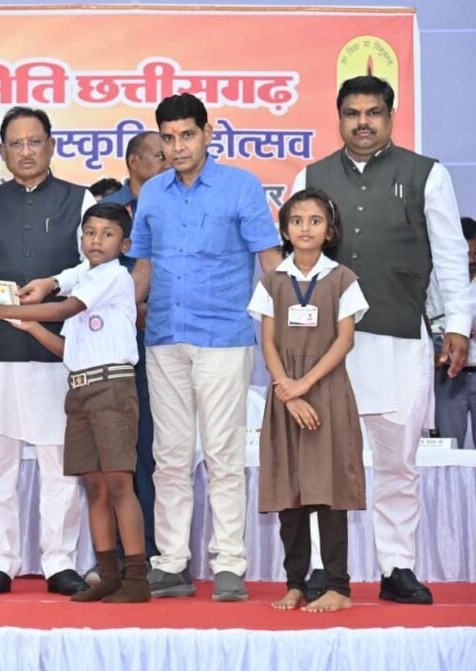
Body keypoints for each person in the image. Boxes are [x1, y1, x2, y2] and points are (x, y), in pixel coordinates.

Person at [294, 76, 469, 604]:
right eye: (352, 113)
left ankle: (397, 567)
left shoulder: (426, 174)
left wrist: (457, 324)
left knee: (398, 464)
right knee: (324, 462)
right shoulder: (312, 176)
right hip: (327, 348)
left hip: (399, 340)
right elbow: (296, 260)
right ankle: (324, 569)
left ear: (391, 117)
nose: (363, 122)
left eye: (373, 112)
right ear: (339, 118)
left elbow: (450, 254)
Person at [130, 94, 281, 600]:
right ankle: (172, 563)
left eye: (187, 135)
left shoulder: (242, 186)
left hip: (223, 339)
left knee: (222, 455)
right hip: (163, 338)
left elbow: (269, 262)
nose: (178, 147)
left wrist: (295, 321)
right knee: (170, 457)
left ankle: (229, 565)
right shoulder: (153, 193)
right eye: (168, 138)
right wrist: (109, 315)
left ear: (208, 133)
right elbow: (143, 269)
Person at [0, 202, 151, 603]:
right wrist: (31, 326)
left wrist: (2, 310)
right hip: (80, 389)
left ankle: (137, 579)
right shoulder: (84, 276)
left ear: (125, 245)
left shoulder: (113, 277)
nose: (96, 240)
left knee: (119, 484)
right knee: (94, 486)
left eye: (107, 234)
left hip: (112, 388)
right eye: (89, 233)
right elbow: (69, 350)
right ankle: (108, 577)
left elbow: (65, 306)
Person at [0, 106, 96, 597]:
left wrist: (55, 283)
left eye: (34, 141)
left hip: (56, 349)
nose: (25, 151)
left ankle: (59, 561)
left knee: (58, 458)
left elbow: (93, 266)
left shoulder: (79, 200)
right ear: (2, 151)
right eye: (15, 143)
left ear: (51, 146)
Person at [247, 188, 369, 613]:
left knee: (330, 490)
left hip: (327, 392)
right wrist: (287, 388)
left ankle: (337, 586)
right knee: (289, 492)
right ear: (284, 230)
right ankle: (295, 583)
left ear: (330, 230)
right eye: (296, 221)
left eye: (315, 221)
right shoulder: (272, 281)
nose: (305, 228)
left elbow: (345, 341)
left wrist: (303, 385)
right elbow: (268, 341)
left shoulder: (343, 279)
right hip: (285, 394)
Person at [101, 129, 168, 562]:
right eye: (159, 156)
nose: (168, 162)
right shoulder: (108, 209)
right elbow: (91, 271)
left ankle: (160, 551)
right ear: (133, 162)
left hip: (169, 338)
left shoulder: (179, 203)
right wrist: (128, 308)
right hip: (119, 345)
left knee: (160, 447)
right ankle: (123, 553)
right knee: (121, 448)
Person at [432, 217, 476, 447]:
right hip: (447, 375)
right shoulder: (435, 279)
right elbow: (428, 321)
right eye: (466, 254)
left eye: (475, 253)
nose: (471, 258)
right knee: (446, 448)